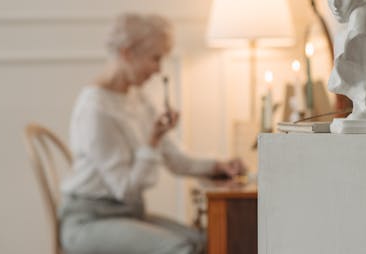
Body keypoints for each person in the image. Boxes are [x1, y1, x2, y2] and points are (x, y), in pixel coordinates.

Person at [59, 13, 247, 254]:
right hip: (89, 221)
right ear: (127, 53)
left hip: (128, 215)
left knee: (204, 242)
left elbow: (175, 160)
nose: (158, 70)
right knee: (179, 249)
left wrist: (218, 166)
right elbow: (126, 189)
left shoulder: (137, 98)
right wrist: (153, 141)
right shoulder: (95, 109)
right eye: (155, 59)